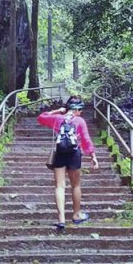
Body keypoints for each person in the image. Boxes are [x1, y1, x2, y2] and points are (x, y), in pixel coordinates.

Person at [37, 95, 99, 230]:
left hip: (60, 154)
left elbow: (41, 117)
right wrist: (93, 156)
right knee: (75, 186)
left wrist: (57, 111)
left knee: (59, 186)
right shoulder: (80, 121)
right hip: (74, 154)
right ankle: (76, 215)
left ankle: (61, 220)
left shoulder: (57, 119)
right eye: (81, 110)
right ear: (77, 109)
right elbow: (86, 140)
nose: (81, 113)